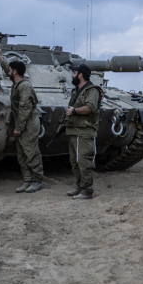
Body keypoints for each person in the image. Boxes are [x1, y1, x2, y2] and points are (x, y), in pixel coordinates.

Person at [0, 47, 44, 193]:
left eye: (10, 71)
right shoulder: (17, 83)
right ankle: (27, 180)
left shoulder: (24, 87)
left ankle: (37, 181)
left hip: (28, 124)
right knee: (22, 154)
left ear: (15, 72)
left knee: (31, 152)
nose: (7, 72)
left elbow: (25, 109)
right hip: (22, 124)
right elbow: (7, 67)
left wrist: (19, 128)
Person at [64, 64, 102, 200]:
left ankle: (86, 191)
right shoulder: (77, 91)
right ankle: (80, 187)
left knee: (84, 162)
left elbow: (90, 107)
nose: (72, 76)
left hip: (84, 132)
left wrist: (74, 111)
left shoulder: (92, 90)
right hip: (74, 130)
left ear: (80, 75)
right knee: (75, 162)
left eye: (74, 73)